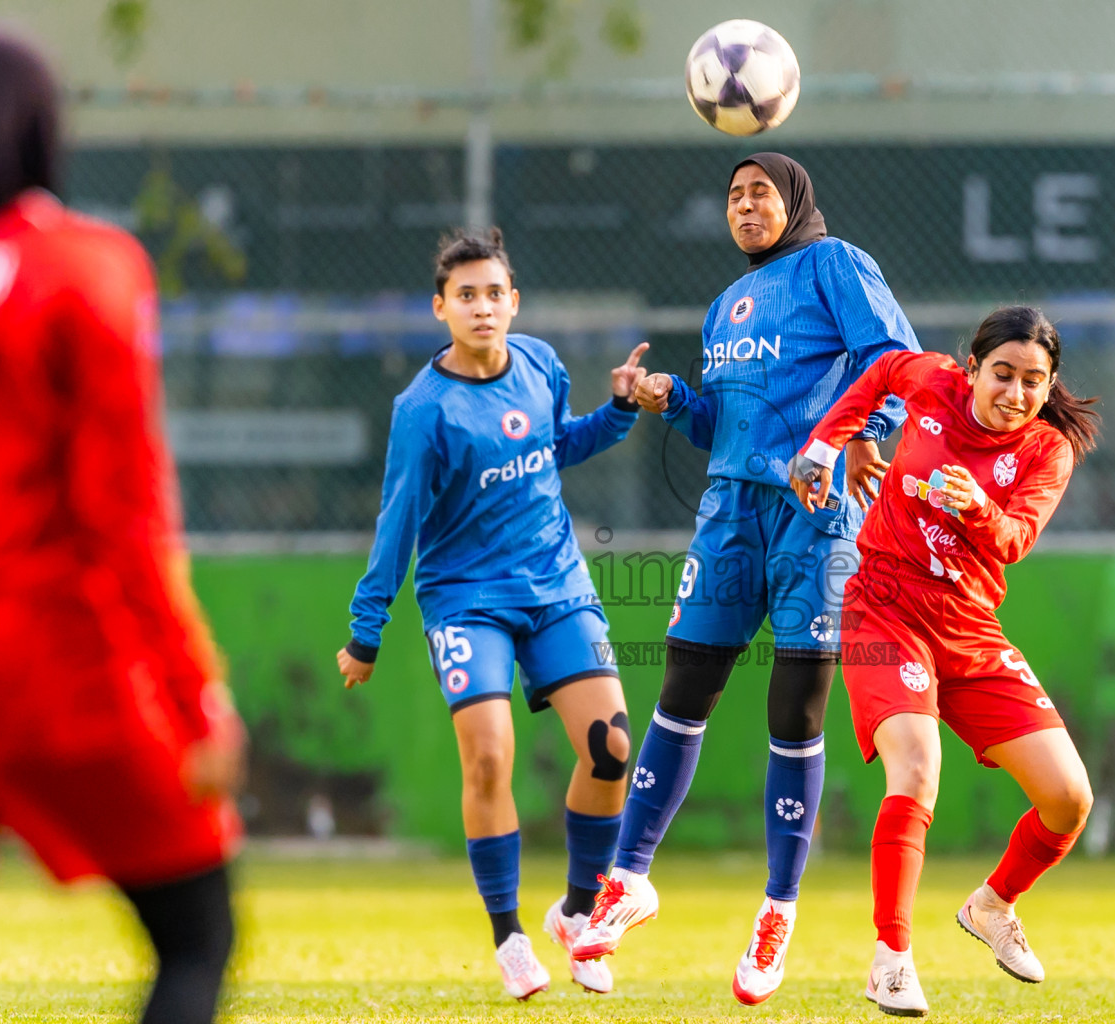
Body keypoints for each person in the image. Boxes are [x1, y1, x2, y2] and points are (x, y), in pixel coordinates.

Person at [571, 152, 921, 1005]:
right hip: (730, 512)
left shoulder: (835, 265)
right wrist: (673, 400)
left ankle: (777, 910)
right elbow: (722, 425)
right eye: (733, 196)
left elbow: (897, 362)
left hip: (815, 510)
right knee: (682, 688)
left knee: (794, 711)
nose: (745, 206)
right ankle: (629, 879)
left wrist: (861, 432)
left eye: (761, 191)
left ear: (794, 200)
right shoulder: (725, 303)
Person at [0, 33, 245, 1024]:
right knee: (196, 936)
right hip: (48, 660)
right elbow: (122, 513)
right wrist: (194, 694)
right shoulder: (82, 266)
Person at [335, 229, 647, 1000]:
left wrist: (617, 410)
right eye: (465, 295)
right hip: (466, 599)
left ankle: (577, 915)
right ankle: (509, 937)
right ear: (440, 308)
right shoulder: (423, 409)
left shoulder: (540, 364)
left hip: (556, 586)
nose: (482, 307)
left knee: (611, 748)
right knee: (488, 758)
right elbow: (399, 521)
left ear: (514, 302)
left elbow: (557, 445)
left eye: (493, 293)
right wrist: (366, 629)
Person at [789, 305, 1100, 1016]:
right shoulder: (931, 382)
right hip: (885, 606)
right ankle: (891, 960)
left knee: (1068, 799)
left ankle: (993, 905)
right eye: (1002, 374)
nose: (1015, 393)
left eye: (1033, 381)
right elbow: (877, 373)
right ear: (973, 369)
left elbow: (1015, 540)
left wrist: (978, 507)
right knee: (917, 768)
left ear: (1049, 385)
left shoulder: (1047, 450)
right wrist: (830, 443)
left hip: (969, 628)